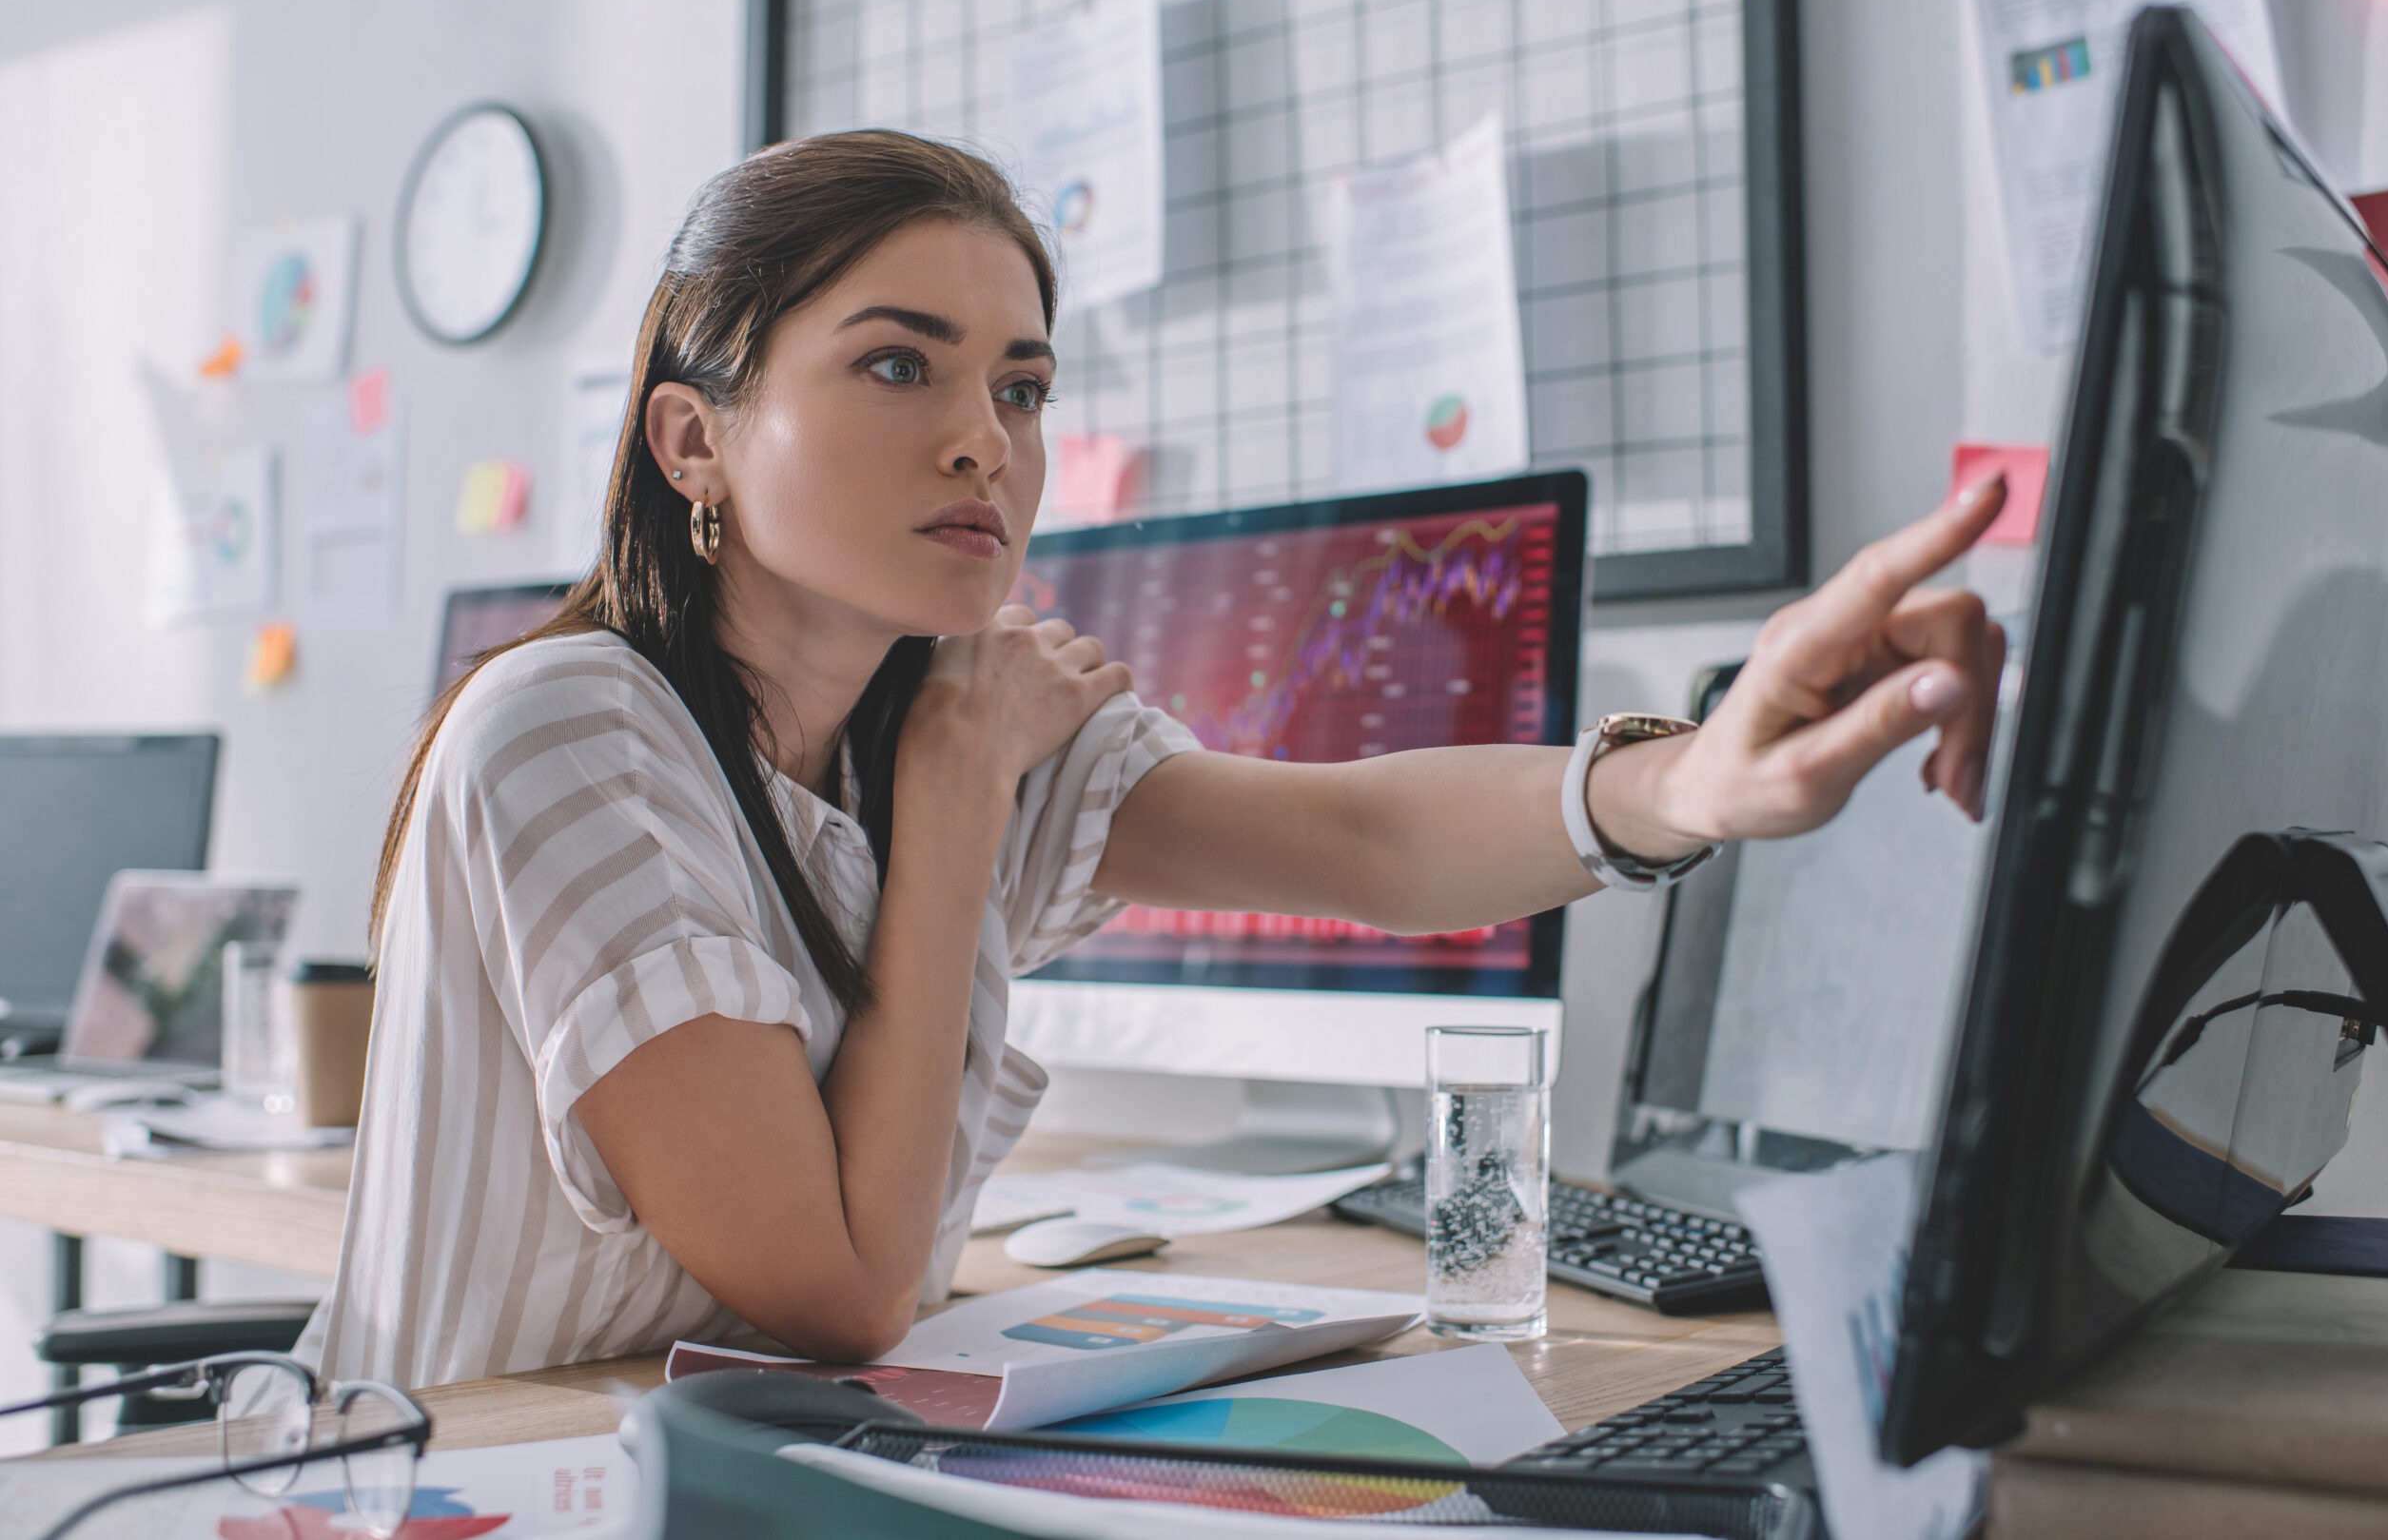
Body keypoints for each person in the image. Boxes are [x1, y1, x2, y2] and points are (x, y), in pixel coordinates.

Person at [299, 130, 2006, 1388]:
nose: (987, 439)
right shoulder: (577, 730)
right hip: (467, 1487)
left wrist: (1691, 781)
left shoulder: (957, 698)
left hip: (714, 1467)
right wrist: (958, 806)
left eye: (1024, 387)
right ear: (696, 436)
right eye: (898, 363)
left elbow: (1358, 842)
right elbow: (842, 1287)